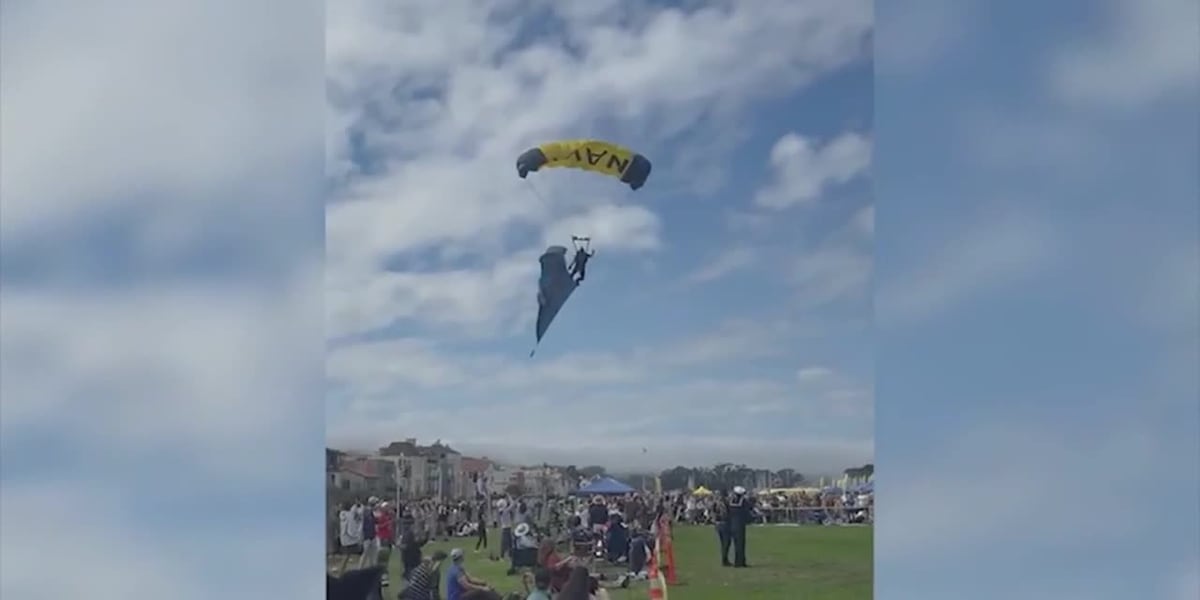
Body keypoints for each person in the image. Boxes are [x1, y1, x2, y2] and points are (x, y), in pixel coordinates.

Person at [727, 486, 752, 568]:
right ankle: (740, 562)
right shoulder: (743, 502)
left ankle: (737, 561)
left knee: (735, 543)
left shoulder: (731, 502)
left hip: (732, 524)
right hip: (740, 524)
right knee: (741, 544)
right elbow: (748, 510)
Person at [713, 491, 732, 567]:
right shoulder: (725, 503)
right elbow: (726, 514)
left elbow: (713, 513)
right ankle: (724, 560)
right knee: (726, 543)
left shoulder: (715, 503)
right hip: (725, 524)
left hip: (718, 524)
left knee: (722, 543)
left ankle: (724, 559)